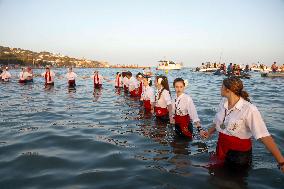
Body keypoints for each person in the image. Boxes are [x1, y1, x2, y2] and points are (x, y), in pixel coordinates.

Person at [201, 77, 284, 172]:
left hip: (238, 154)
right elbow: (219, 123)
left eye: (221, 86)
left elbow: (264, 136)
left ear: (228, 90)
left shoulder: (249, 109)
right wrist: (209, 132)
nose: (220, 88)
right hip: (221, 146)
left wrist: (281, 162)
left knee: (233, 182)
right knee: (216, 178)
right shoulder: (223, 102)